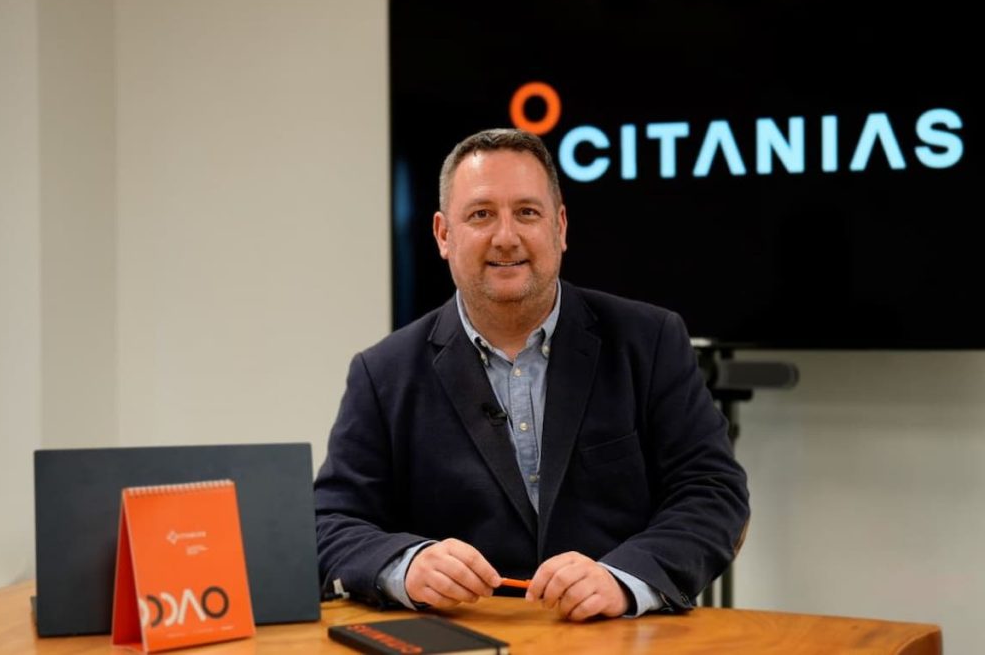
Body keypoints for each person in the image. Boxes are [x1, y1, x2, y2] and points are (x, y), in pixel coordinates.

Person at [314, 128, 749, 621]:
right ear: (443, 235)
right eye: (481, 215)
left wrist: (624, 579)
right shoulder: (382, 373)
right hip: (462, 639)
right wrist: (405, 565)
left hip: (622, 635)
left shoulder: (651, 341)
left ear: (559, 227)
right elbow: (330, 522)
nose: (506, 237)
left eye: (527, 212)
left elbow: (713, 493)